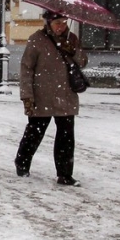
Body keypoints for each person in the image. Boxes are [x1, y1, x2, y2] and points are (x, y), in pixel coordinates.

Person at [16, 11, 89, 186]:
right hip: (42, 96)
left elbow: (83, 62)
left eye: (64, 22)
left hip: (65, 96)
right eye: (57, 23)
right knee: (35, 132)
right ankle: (22, 163)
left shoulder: (72, 39)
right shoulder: (37, 40)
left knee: (66, 136)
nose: (61, 26)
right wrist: (27, 96)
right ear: (49, 23)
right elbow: (26, 69)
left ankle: (64, 174)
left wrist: (73, 50)